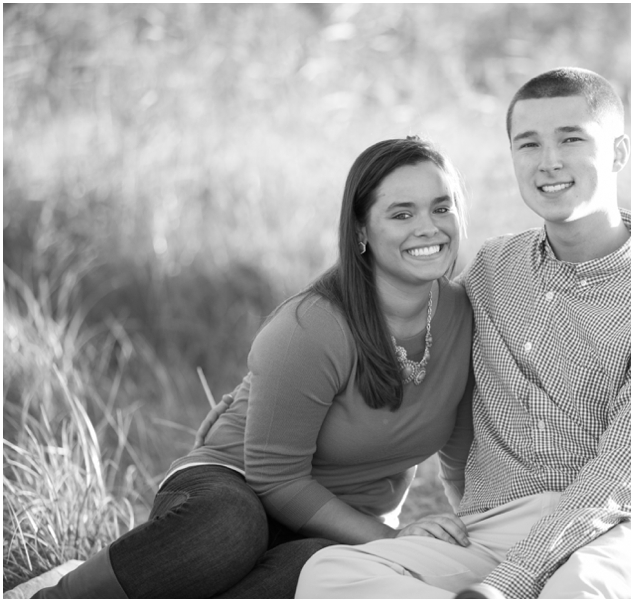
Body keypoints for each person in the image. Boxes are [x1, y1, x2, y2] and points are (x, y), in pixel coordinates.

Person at [296, 67, 631, 599]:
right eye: (529, 144)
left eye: (571, 139)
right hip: (495, 525)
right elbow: (416, 352)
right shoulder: (495, 268)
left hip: (622, 527)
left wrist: (504, 588)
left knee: (580, 590)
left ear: (617, 153)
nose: (549, 162)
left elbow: (624, 475)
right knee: (331, 574)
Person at [34, 136, 476, 598]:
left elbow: (463, 459)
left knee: (315, 569)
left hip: (338, 526)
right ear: (361, 231)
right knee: (231, 529)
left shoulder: (467, 314)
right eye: (402, 214)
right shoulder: (313, 326)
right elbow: (276, 478)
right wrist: (389, 540)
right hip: (234, 490)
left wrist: (474, 540)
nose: (429, 227)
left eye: (441, 208)